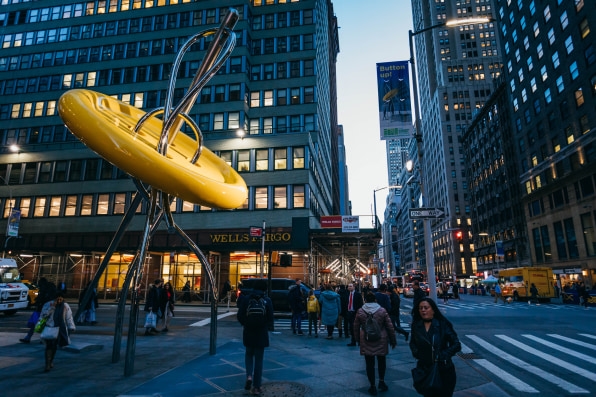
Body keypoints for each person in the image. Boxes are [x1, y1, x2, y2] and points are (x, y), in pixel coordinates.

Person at [410, 298, 461, 397]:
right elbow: (413, 343)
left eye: (426, 308)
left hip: (444, 370)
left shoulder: (442, 324)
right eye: (421, 308)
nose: (423, 310)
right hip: (425, 369)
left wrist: (442, 355)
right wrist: (417, 353)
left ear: (433, 310)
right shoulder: (417, 326)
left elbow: (456, 344)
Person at [354, 292, 397, 395]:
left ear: (365, 300)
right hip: (381, 338)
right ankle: (381, 381)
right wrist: (393, 340)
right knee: (381, 361)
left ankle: (372, 386)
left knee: (369, 364)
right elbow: (390, 326)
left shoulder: (360, 311)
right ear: (375, 300)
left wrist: (357, 339)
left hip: (366, 339)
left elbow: (355, 327)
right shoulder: (382, 311)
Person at [237, 279, 274, 396]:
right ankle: (257, 387)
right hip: (261, 333)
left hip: (248, 331)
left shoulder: (247, 299)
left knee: (248, 355)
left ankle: (249, 376)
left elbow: (240, 315)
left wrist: (246, 323)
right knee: (259, 360)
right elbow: (270, 317)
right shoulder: (267, 300)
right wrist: (265, 326)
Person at [40, 292, 76, 372]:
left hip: (59, 329)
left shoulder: (65, 306)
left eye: (61, 299)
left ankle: (51, 360)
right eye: (57, 298)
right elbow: (43, 315)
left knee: (54, 346)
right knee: (49, 346)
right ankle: (47, 364)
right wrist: (52, 308)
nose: (59, 300)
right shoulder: (48, 305)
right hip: (50, 327)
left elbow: (69, 317)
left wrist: (71, 326)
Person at [20, 277, 57, 344]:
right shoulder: (50, 289)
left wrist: (38, 301)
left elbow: (41, 298)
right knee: (42, 323)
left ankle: (29, 337)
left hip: (41, 309)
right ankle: (39, 338)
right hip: (46, 308)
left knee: (37, 323)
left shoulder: (44, 289)